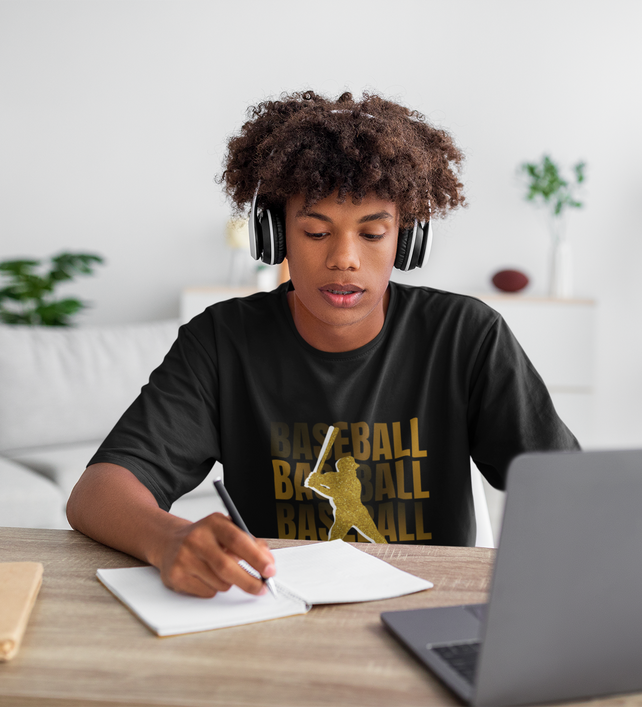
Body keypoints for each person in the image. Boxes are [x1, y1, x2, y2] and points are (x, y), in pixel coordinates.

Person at [66, 90, 579, 599]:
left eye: (373, 234)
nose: (344, 259)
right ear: (275, 235)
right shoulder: (223, 342)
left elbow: (568, 490)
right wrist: (169, 538)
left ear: (406, 238)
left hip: (425, 608)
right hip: (278, 610)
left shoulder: (465, 335)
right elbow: (97, 492)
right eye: (315, 232)